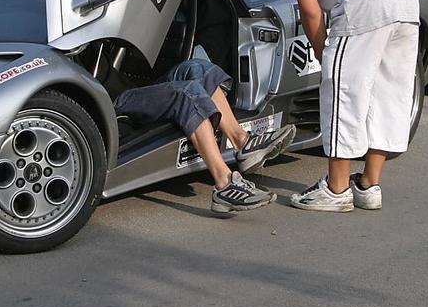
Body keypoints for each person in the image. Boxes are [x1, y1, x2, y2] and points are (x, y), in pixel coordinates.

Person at [264, 0, 419, 212]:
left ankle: (336, 190)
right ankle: (369, 185)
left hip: (364, 10)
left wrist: (324, 52)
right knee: (388, 96)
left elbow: (310, 10)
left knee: (342, 94)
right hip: (406, 5)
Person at [114, 58, 297, 213]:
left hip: (132, 89)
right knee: (187, 93)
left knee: (197, 67)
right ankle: (224, 183)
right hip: (113, 101)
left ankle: (243, 142)